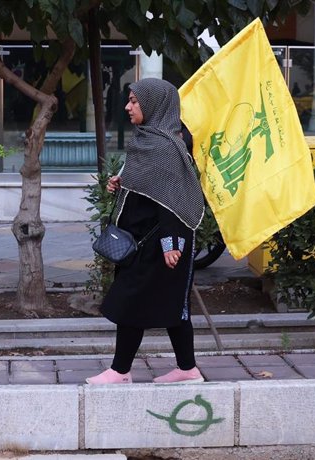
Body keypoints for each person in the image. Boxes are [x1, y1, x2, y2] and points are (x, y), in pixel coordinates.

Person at [86, 78, 206, 385]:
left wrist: (171, 244)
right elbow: (150, 186)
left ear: (153, 104)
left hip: (162, 241)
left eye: (134, 101)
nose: (128, 107)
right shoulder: (149, 138)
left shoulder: (166, 146)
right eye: (129, 100)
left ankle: (120, 371)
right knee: (170, 305)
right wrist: (123, 181)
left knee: (133, 301)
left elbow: (171, 200)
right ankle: (187, 369)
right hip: (144, 239)